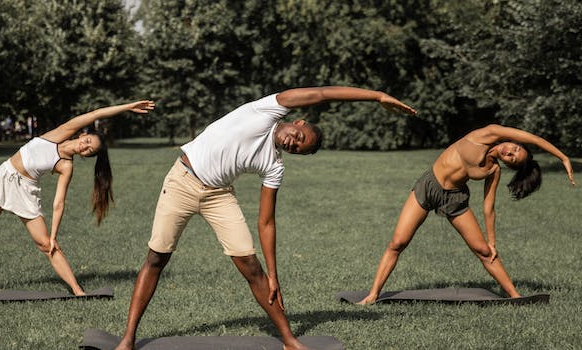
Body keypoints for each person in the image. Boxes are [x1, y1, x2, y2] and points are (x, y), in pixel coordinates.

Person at [114, 86, 417, 350]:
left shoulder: (274, 165)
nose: (292, 143)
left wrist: (274, 274)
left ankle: (289, 340)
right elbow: (322, 93)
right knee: (156, 258)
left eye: (298, 148)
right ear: (297, 122)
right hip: (182, 179)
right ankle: (127, 339)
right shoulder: (266, 110)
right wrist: (377, 96)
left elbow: (266, 221)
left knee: (252, 267)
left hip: (219, 195)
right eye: (298, 136)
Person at [0, 100, 155, 300]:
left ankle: (78, 291)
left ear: (86, 156)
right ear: (82, 135)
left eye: (90, 150)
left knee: (47, 245)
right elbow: (96, 113)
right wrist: (128, 107)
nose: (85, 147)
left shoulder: (66, 165)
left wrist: (53, 234)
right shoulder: (61, 133)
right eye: (87, 141)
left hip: (26, 191)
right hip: (3, 177)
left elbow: (59, 202)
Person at [357, 124, 576, 304]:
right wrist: (562, 157)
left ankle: (515, 296)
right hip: (429, 185)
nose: (510, 153)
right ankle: (373, 294)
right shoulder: (487, 134)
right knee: (398, 242)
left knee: (483, 251)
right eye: (515, 150)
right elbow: (531, 136)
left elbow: (488, 207)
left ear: (508, 166)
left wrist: (492, 241)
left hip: (454, 198)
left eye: (513, 159)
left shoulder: (494, 170)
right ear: (514, 142)